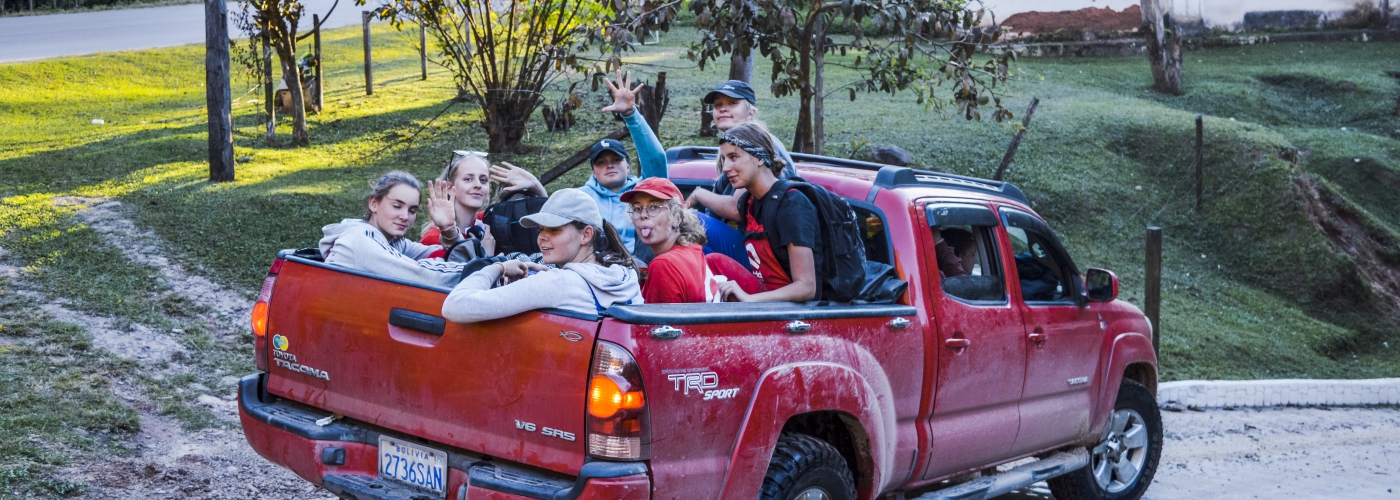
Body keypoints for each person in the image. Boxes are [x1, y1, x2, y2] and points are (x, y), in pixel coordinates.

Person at [442, 188, 642, 322]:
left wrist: (497, 268)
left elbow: (455, 305)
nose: (542, 238)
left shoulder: (558, 283)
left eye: (554, 230)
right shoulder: (625, 274)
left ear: (586, 234)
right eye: (541, 229)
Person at [714, 123, 821, 303]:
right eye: (724, 159)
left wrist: (750, 299)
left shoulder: (791, 205)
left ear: (759, 158)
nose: (725, 168)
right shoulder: (748, 202)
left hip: (790, 311)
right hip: (765, 292)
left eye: (733, 157)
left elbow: (807, 287)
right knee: (712, 260)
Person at [622, 177, 759, 303]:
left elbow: (657, 328)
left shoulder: (664, 265)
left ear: (677, 217)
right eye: (637, 208)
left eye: (654, 207)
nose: (643, 215)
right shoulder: (693, 250)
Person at [320, 171, 465, 288]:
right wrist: (483, 271)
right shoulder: (359, 241)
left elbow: (446, 254)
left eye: (412, 210)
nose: (405, 216)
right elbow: (426, 276)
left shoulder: (394, 242)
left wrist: (448, 229)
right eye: (397, 206)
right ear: (374, 204)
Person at [583, 72, 671, 261]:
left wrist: (630, 115)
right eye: (601, 162)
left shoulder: (642, 190)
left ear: (629, 166)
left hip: (638, 265)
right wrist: (537, 188)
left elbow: (656, 159)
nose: (609, 166)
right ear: (593, 171)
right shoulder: (582, 196)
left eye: (616, 160)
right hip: (593, 266)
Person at [419, 150, 547, 260]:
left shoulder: (487, 221)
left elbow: (544, 222)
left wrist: (536, 186)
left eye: (483, 180)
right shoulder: (433, 239)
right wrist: (486, 257)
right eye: (468, 179)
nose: (478, 185)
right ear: (449, 187)